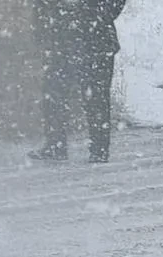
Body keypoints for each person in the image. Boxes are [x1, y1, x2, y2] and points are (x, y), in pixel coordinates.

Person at [29, 0, 126, 163]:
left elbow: (114, 4)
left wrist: (94, 17)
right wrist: (42, 27)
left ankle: (99, 149)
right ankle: (56, 144)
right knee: (53, 93)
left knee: (96, 97)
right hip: (61, 40)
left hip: (96, 41)